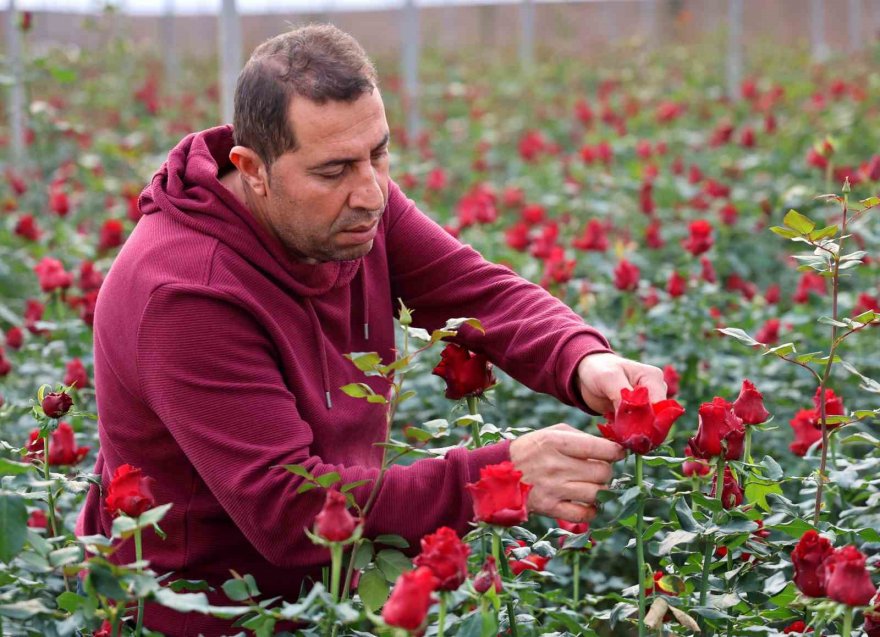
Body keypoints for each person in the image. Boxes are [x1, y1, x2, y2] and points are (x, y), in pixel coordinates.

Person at [76, 24, 666, 636]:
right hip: (208, 613)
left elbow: (473, 289)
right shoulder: (185, 293)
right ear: (251, 169)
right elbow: (289, 507)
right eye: (334, 170)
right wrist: (504, 475)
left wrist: (583, 361)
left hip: (336, 591)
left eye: (378, 153)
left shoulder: (350, 209)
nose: (371, 193)